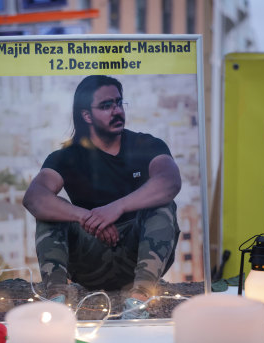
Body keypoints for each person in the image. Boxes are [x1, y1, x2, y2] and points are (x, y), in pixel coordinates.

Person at [23, 75, 181, 319]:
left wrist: (116, 208)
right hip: (89, 262)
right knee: (50, 212)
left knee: (163, 206)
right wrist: (87, 217)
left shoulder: (146, 145)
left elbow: (169, 181)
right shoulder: (66, 157)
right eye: (106, 106)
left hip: (136, 257)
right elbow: (34, 197)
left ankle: (138, 301)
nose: (116, 111)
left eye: (118, 103)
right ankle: (56, 299)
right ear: (87, 116)